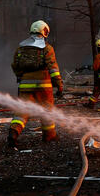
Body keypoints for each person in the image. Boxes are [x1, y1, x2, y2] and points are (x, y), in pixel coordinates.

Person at [8, 20, 63, 150]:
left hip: (25, 85)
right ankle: (49, 136)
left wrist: (20, 77)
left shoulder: (21, 48)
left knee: (22, 112)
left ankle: (13, 133)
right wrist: (59, 84)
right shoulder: (47, 48)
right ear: (44, 31)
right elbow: (53, 68)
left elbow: (15, 65)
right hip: (43, 85)